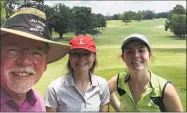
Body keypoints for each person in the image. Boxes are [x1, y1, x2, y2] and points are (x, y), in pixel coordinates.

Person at [0, 8, 71, 112]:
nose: (25, 61)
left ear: (45, 64)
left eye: (36, 53)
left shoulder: (39, 103)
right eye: (13, 50)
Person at [108, 34, 183, 112]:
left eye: (141, 50)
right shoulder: (118, 80)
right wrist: (118, 108)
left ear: (149, 55)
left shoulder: (165, 89)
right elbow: (104, 92)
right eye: (129, 51)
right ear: (123, 57)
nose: (136, 55)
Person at [45, 35, 110, 112]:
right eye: (75, 53)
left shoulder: (102, 84)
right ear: (70, 57)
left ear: (94, 56)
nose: (81, 58)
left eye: (86, 53)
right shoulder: (55, 88)